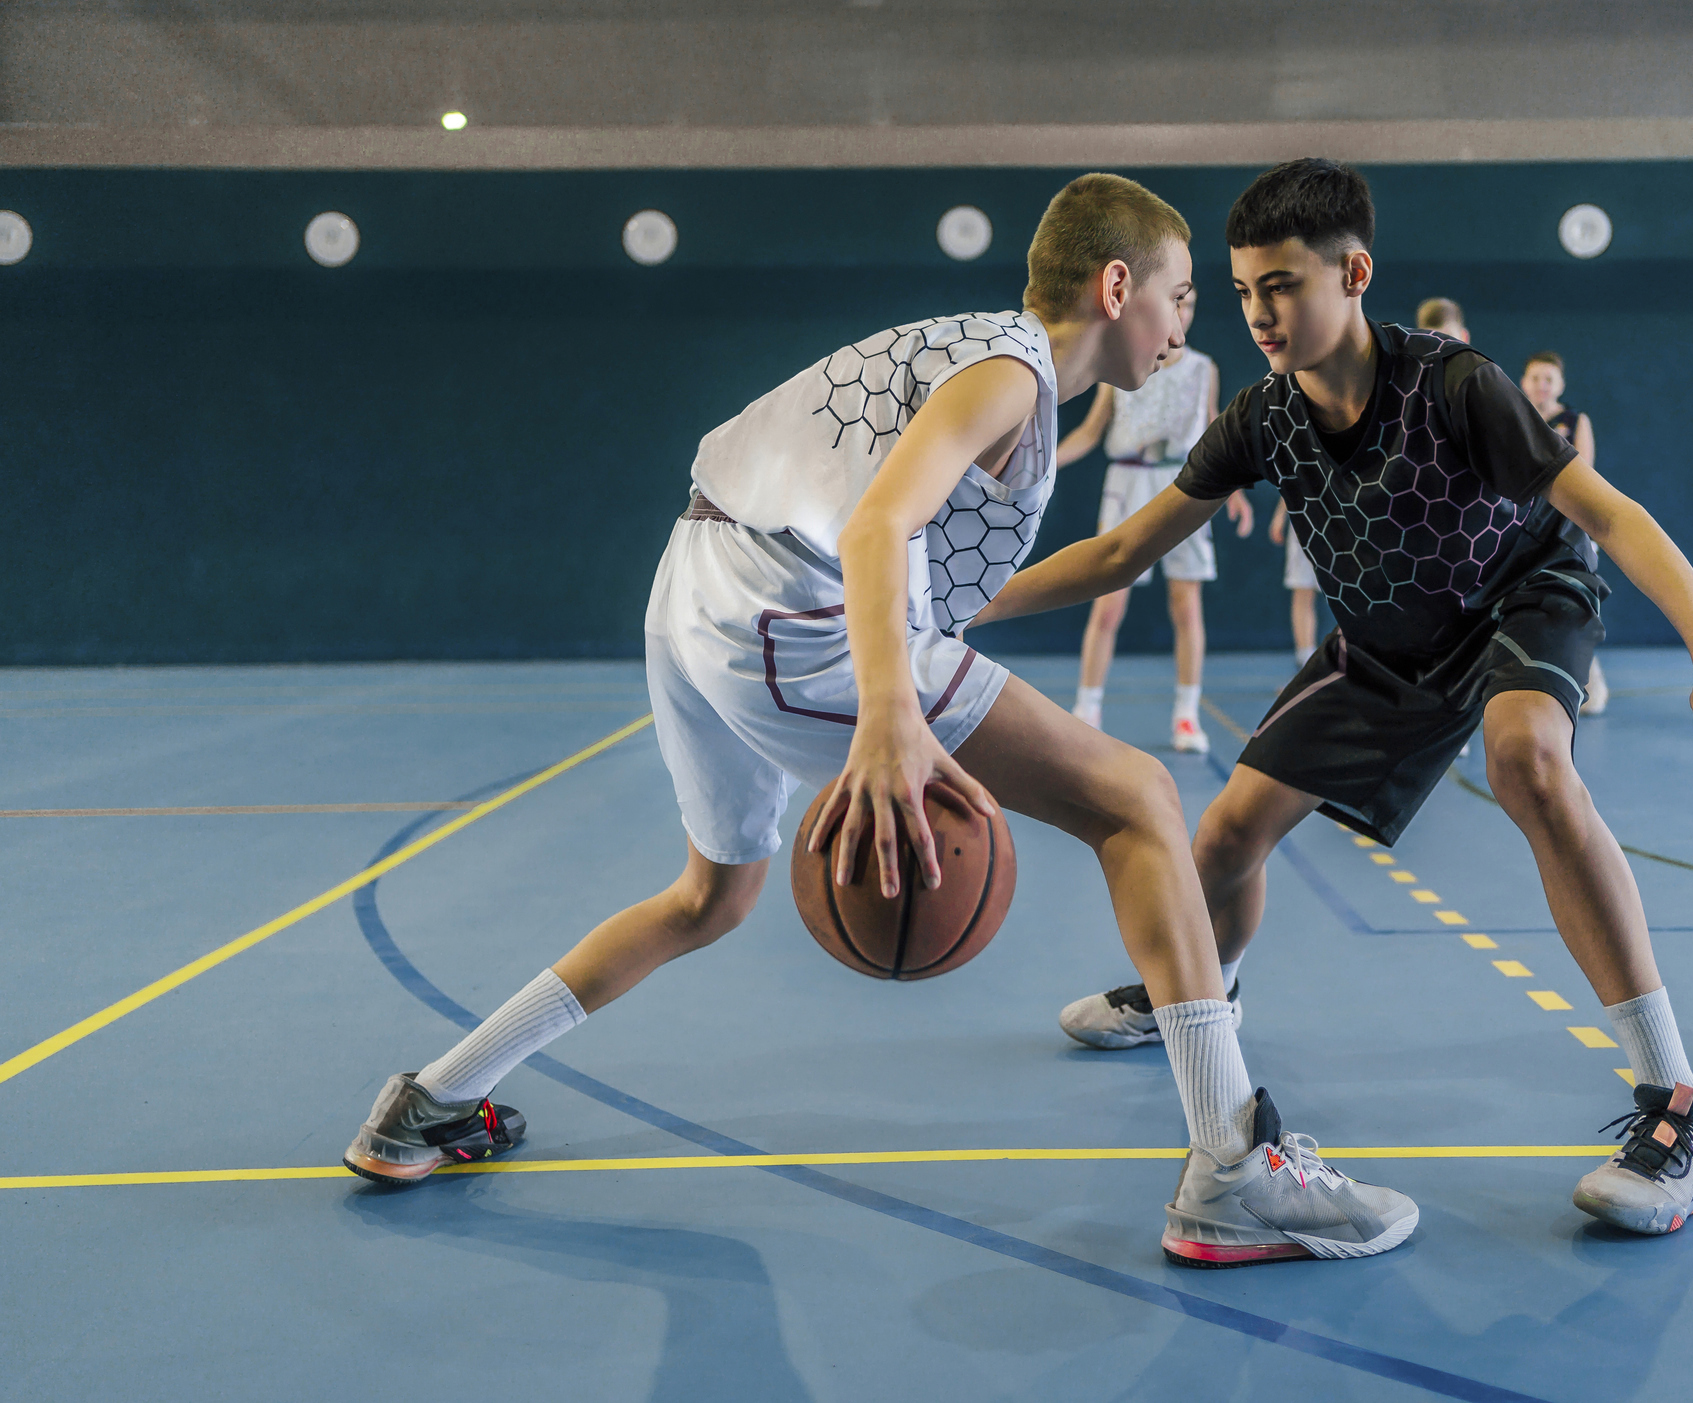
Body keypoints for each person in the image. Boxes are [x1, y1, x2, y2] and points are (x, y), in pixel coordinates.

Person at [340, 173, 1417, 1270]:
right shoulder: (1012, 371)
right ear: (1116, 285)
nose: (1190, 325)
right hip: (786, 608)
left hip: (700, 584)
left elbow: (923, 553)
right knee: (1135, 796)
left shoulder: (989, 358)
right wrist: (890, 714)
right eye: (1183, 295)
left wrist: (919, 658)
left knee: (711, 895)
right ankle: (1236, 1168)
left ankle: (433, 1097)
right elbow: (875, 530)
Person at [973, 159, 1693, 1236]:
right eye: (1245, 291)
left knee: (1529, 759)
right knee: (1226, 836)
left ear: (1355, 272)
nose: (1260, 313)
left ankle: (1682, 1107)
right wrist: (959, 604)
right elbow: (1119, 550)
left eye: (1282, 286)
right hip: (1387, 642)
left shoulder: (1453, 384)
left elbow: (1607, 511)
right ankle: (1195, 993)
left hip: (1519, 598)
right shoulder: (1264, 417)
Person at [1058, 288, 1252, 753]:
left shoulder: (1204, 368)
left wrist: (1236, 489)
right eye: (1175, 302)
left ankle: (1186, 716)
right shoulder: (1122, 365)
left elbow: (1212, 432)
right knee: (1107, 605)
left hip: (1185, 486)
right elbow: (1090, 431)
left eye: (1189, 305)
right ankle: (1087, 708)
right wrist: (1043, 466)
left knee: (1186, 607)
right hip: (1127, 485)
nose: (1181, 312)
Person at [1521, 351, 1610, 716]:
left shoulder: (1574, 420)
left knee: (1572, 603)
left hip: (1566, 528)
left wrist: (1588, 526)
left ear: (1560, 385)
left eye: (1549, 379)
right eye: (1535, 378)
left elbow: (1585, 475)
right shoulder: (1513, 414)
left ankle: (1592, 685)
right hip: (1521, 527)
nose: (1541, 385)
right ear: (1524, 381)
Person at [1268, 501, 1320, 666]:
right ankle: (1307, 667)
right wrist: (1280, 514)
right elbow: (1294, 475)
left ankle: (1355, 670)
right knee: (1303, 590)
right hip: (1305, 516)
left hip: (1348, 515)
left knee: (1354, 594)